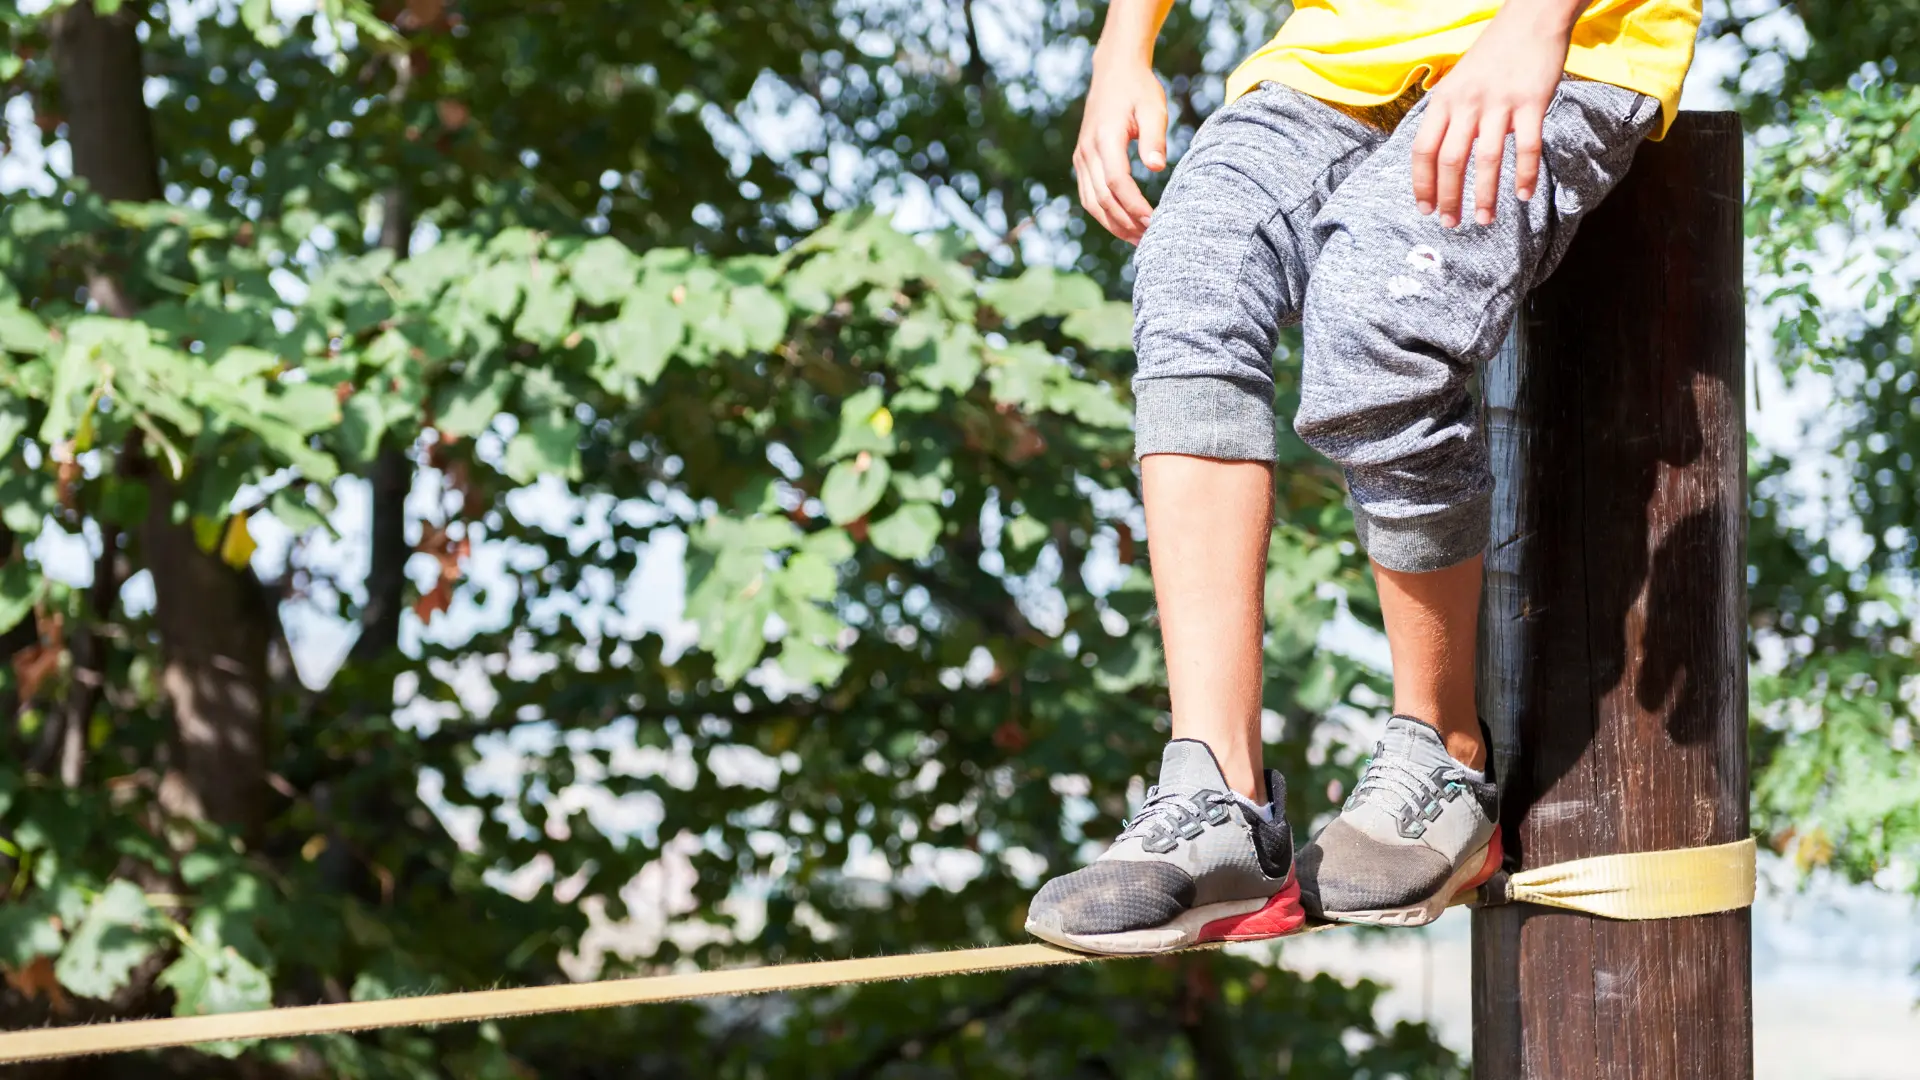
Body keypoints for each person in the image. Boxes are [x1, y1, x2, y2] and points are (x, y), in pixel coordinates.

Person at [1024, 0, 1699, 954]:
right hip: (1339, 55)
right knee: (1190, 275)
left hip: (1565, 45)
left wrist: (1539, 20)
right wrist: (1123, 45)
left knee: (1376, 322)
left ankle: (1445, 759)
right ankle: (1216, 800)